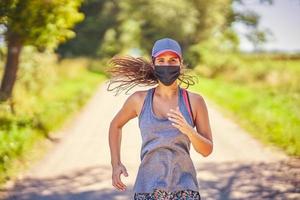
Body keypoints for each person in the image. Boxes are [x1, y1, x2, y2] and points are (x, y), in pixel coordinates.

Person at [108, 37, 213, 200]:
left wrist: (189, 131)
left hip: (185, 190)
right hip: (147, 189)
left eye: (172, 60)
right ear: (154, 63)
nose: (167, 65)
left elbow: (207, 150)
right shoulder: (139, 100)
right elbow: (115, 125)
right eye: (161, 60)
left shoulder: (194, 101)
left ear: (181, 63)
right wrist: (116, 164)